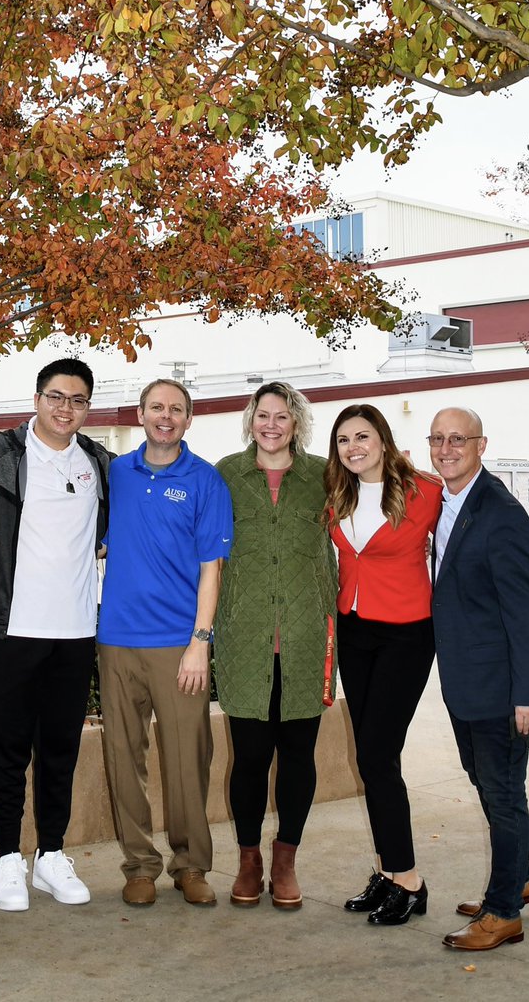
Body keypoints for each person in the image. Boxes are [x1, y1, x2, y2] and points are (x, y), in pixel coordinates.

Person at [0, 358, 113, 911]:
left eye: (78, 400)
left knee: (60, 749)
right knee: (5, 749)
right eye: (56, 396)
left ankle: (51, 855)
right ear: (37, 398)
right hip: (11, 627)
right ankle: (8, 857)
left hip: (76, 631)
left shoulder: (98, 462)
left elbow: (109, 531)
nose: (66, 409)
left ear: (87, 407)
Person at [98, 379, 233, 907]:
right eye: (157, 407)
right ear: (141, 414)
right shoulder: (117, 473)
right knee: (122, 757)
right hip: (116, 641)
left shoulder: (205, 481)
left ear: (188, 420)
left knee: (187, 759)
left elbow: (211, 569)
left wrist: (201, 641)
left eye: (176, 409)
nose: (166, 416)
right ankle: (138, 864)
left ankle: (191, 864)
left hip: (179, 644)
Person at [214, 382, 338, 910]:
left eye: (282, 417)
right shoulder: (225, 475)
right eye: (263, 415)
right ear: (250, 420)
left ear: (296, 424)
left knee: (297, 757)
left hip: (308, 639)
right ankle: (248, 859)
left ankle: (285, 858)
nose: (271, 425)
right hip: (245, 639)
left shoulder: (323, 478)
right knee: (248, 758)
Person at [428, 407, 529, 952]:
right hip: (465, 681)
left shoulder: (500, 513)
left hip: (501, 688)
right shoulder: (447, 502)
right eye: (438, 439)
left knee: (502, 796)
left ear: (481, 445)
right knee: (486, 781)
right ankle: (518, 879)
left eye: (458, 439)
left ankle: (505, 913)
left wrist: (527, 695)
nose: (446, 447)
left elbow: (524, 611)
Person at [324, 404, 443, 925]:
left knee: (376, 754)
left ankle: (410, 880)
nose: (354, 447)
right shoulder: (337, 493)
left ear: (383, 439)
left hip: (407, 634)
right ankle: (386, 872)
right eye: (344, 439)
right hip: (354, 629)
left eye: (363, 436)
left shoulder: (425, 490)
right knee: (372, 759)